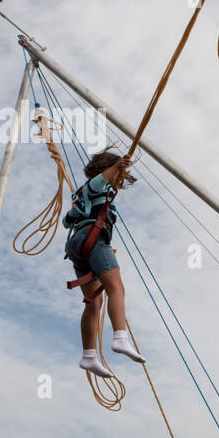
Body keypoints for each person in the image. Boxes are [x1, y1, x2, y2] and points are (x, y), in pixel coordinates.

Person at [62, 150, 144, 377]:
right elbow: (99, 181)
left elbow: (66, 222)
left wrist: (73, 212)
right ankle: (120, 337)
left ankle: (88, 356)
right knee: (116, 288)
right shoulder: (94, 186)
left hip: (78, 247)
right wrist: (118, 167)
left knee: (93, 303)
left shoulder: (81, 195)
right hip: (94, 238)